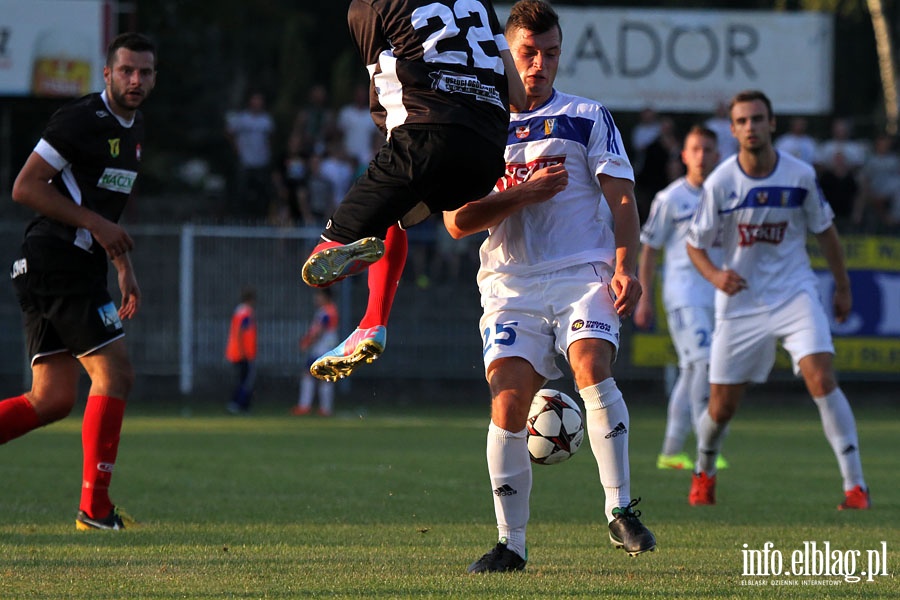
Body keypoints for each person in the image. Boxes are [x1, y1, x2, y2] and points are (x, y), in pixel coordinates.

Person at [443, 0, 656, 573]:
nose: (540, 64)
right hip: (509, 285)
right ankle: (511, 545)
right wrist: (523, 193)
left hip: (581, 271)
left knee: (591, 364)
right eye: (528, 53)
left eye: (551, 53)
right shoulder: (477, 126)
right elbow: (458, 221)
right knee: (509, 404)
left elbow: (621, 198)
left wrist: (624, 265)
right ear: (506, 55)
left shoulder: (587, 114)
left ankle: (619, 509)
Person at [299, 0, 526, 382]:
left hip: (424, 135)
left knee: (319, 262)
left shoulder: (367, 6)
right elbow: (517, 94)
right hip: (486, 155)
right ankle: (372, 323)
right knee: (397, 216)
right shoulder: (480, 3)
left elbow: (383, 84)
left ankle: (351, 251)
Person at [685, 89, 870, 510]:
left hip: (794, 293)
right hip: (740, 303)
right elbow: (695, 244)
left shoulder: (801, 174)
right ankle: (704, 471)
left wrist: (842, 288)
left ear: (773, 124)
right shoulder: (720, 183)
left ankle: (855, 487)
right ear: (732, 130)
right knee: (721, 407)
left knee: (822, 378)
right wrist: (716, 275)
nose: (751, 127)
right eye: (743, 121)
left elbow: (827, 233)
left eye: (758, 119)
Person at [4, 32, 157, 530]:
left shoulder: (134, 132)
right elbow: (25, 186)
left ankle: (95, 509)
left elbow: (104, 210)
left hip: (67, 265)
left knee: (51, 400)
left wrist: (122, 266)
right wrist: (95, 228)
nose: (136, 80)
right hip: (56, 261)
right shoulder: (80, 119)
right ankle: (95, 510)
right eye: (127, 70)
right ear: (107, 73)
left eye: (145, 72)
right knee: (116, 375)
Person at [634, 125, 727, 472]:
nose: (702, 156)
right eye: (695, 149)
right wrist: (644, 298)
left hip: (717, 295)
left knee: (693, 371)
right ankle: (707, 448)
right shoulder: (670, 198)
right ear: (684, 156)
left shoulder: (725, 195)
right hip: (683, 294)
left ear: (717, 156)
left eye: (708, 149)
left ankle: (672, 451)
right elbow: (649, 249)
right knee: (703, 365)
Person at [225, 91, 275, 220]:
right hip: (245, 161)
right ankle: (238, 218)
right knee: (241, 191)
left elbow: (270, 138)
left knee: (262, 192)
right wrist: (237, 149)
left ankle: (260, 217)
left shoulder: (266, 120)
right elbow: (229, 132)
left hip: (261, 161)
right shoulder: (242, 118)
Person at [294, 288, 339, 416]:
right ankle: (322, 408)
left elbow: (319, 331)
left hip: (323, 349)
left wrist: (307, 343)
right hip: (324, 348)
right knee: (317, 377)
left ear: (326, 297)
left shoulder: (327, 312)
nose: (316, 298)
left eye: (319, 295)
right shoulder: (327, 311)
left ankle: (308, 406)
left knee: (313, 376)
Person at [225, 286, 258, 414]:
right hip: (243, 353)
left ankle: (239, 404)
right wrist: (243, 351)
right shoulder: (245, 313)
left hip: (237, 352)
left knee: (242, 379)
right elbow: (240, 332)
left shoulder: (239, 312)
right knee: (246, 380)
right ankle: (239, 404)